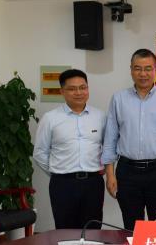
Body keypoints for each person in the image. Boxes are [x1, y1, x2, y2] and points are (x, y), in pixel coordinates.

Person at [102, 48, 156, 230]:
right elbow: (110, 138)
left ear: (155, 70)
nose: (143, 74)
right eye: (138, 68)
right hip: (127, 172)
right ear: (131, 70)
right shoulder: (119, 98)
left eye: (148, 68)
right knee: (131, 226)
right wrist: (110, 174)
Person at [33, 69, 106, 229]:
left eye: (83, 87)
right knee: (65, 230)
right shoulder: (50, 118)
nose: (78, 92)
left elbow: (108, 147)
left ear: (88, 88)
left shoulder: (100, 117)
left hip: (93, 184)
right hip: (63, 184)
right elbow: (39, 152)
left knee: (93, 229)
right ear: (62, 91)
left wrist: (105, 169)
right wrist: (57, 171)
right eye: (72, 89)